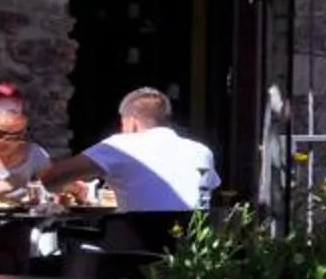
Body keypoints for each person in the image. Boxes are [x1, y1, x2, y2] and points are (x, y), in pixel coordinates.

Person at [33, 87, 218, 215]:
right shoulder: (202, 151)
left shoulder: (121, 145)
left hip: (139, 247)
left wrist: (73, 187)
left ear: (132, 122)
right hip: (192, 252)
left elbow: (50, 179)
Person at [0, 83, 50, 206]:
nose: (10, 142)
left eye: (18, 135)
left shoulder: (35, 155)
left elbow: (51, 193)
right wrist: (3, 186)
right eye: (2, 134)